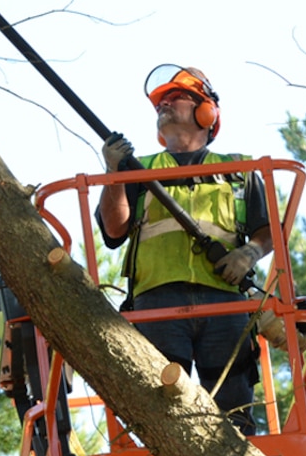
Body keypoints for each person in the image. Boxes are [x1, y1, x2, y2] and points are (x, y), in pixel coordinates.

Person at [96, 64, 272, 433]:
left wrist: (248, 254)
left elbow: (269, 230)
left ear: (207, 113)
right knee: (161, 410)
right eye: (162, 102)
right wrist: (114, 176)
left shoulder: (239, 170)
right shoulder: (137, 170)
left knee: (234, 413)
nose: (165, 105)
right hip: (156, 303)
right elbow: (114, 231)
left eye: (177, 98)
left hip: (225, 301)